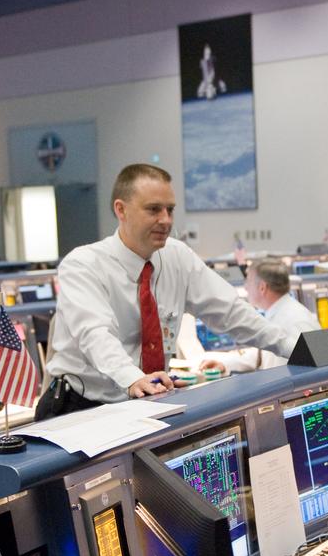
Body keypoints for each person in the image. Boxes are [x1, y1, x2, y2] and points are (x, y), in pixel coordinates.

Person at [39, 164, 295, 414]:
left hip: (144, 399)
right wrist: (134, 379)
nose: (166, 220)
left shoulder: (177, 257)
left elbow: (231, 311)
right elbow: (96, 335)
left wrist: (293, 347)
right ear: (121, 210)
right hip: (82, 407)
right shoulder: (83, 265)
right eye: (153, 210)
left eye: (170, 210)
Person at [200, 259, 319, 373]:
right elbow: (263, 354)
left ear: (262, 287)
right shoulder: (280, 313)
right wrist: (226, 364)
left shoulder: (295, 320)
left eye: (248, 281)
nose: (246, 287)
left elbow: (312, 370)